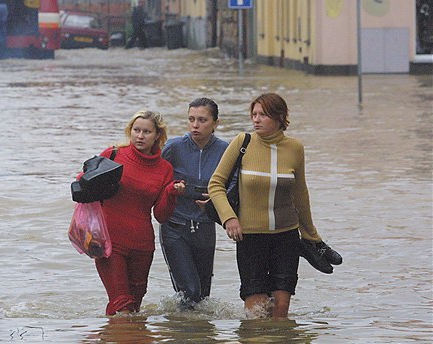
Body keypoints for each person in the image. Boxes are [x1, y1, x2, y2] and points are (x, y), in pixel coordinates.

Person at [208, 93, 338, 319]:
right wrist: (229, 218)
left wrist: (312, 236)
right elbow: (216, 184)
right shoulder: (242, 142)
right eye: (254, 114)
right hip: (250, 238)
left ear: (279, 118)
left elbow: (300, 195)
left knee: (280, 311)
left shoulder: (295, 148)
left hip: (286, 238)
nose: (256, 119)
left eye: (263, 115)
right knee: (257, 313)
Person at [91, 110, 185, 315]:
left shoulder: (164, 169)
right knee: (121, 304)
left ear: (157, 136)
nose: (140, 136)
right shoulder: (113, 154)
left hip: (142, 246)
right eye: (136, 130)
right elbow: (86, 188)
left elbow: (161, 215)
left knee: (134, 307)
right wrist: (85, 178)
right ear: (130, 131)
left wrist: (171, 192)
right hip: (110, 243)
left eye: (146, 132)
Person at [159, 98, 229, 310]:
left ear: (215, 123)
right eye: (191, 119)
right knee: (190, 291)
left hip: (206, 226)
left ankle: (197, 334)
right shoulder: (173, 147)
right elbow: (155, 177)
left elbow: (234, 184)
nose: (195, 125)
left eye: (202, 120)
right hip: (175, 227)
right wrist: (173, 189)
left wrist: (216, 200)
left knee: (203, 298)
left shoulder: (225, 150)